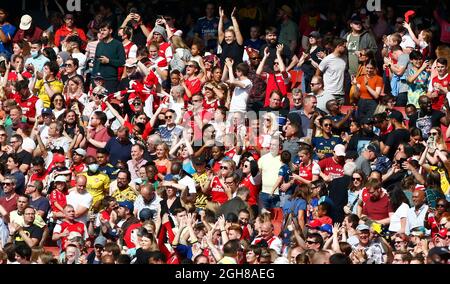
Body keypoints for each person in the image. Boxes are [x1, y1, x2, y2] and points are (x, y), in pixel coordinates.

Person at [92, 21, 126, 93]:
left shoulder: (118, 44)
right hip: (98, 80)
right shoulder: (99, 44)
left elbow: (123, 62)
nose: (102, 32)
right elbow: (95, 63)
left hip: (111, 80)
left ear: (110, 31)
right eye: (100, 30)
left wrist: (109, 61)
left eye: (104, 30)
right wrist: (92, 80)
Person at [317, 38, 347, 104]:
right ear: (338, 46)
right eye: (344, 47)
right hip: (329, 93)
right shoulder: (327, 59)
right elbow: (317, 74)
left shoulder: (345, 58)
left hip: (341, 95)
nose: (345, 48)